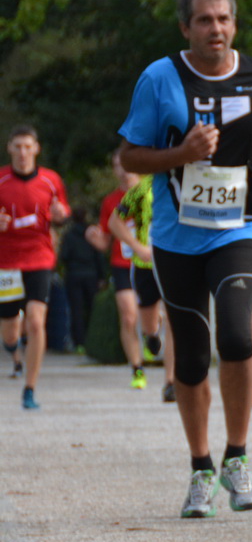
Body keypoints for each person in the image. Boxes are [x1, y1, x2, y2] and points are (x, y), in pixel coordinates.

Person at [118, 0, 252, 519]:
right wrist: (181, 152)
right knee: (194, 356)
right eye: (204, 20)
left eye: (224, 19)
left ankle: (237, 457)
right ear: (186, 28)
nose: (216, 29)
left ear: (235, 24)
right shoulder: (160, 78)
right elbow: (131, 154)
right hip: (176, 235)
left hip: (239, 226)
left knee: (237, 335)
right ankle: (201, 467)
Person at [0, 124, 70, 409]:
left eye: (28, 147)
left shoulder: (51, 180)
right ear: (9, 149)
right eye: (17, 146)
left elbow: (62, 211)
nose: (23, 153)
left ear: (36, 149)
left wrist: (60, 215)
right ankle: (12, 347)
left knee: (36, 320)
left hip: (39, 257)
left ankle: (30, 388)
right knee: (11, 331)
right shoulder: (1, 180)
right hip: (6, 262)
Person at [93, 152, 158, 389]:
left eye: (126, 165)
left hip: (153, 263)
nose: (123, 170)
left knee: (152, 314)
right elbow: (105, 240)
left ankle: (151, 335)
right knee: (129, 315)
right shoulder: (111, 201)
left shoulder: (153, 189)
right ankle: (137, 368)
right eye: (117, 166)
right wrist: (93, 237)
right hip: (123, 264)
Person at [110, 168, 175, 401]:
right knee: (147, 322)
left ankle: (171, 382)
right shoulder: (141, 188)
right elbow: (114, 221)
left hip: (176, 262)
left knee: (175, 322)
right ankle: (152, 335)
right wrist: (137, 248)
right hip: (145, 264)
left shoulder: (188, 183)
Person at [57, 204, 107, 353]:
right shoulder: (91, 233)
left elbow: (63, 256)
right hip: (91, 275)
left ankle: (79, 343)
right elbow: (99, 255)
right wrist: (102, 276)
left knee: (76, 309)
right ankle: (94, 340)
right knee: (92, 308)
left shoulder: (69, 235)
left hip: (73, 275)